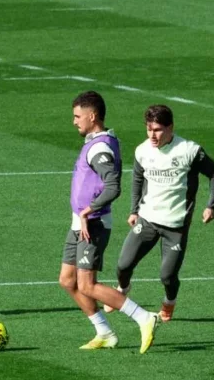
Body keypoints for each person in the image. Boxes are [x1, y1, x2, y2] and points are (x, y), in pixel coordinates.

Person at [58, 91, 159, 353]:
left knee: (87, 284)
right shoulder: (98, 141)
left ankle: (144, 317)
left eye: (78, 116)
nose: (74, 121)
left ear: (92, 116)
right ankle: (104, 332)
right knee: (67, 280)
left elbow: (113, 187)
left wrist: (87, 211)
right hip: (79, 224)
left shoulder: (100, 148)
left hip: (93, 224)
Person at [109, 104, 214, 323]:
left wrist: (211, 205)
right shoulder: (142, 150)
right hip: (147, 220)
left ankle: (169, 303)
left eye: (158, 130)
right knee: (123, 265)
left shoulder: (189, 150)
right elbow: (138, 179)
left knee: (167, 276)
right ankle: (123, 289)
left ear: (171, 128)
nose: (152, 135)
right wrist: (134, 210)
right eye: (149, 129)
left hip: (176, 225)